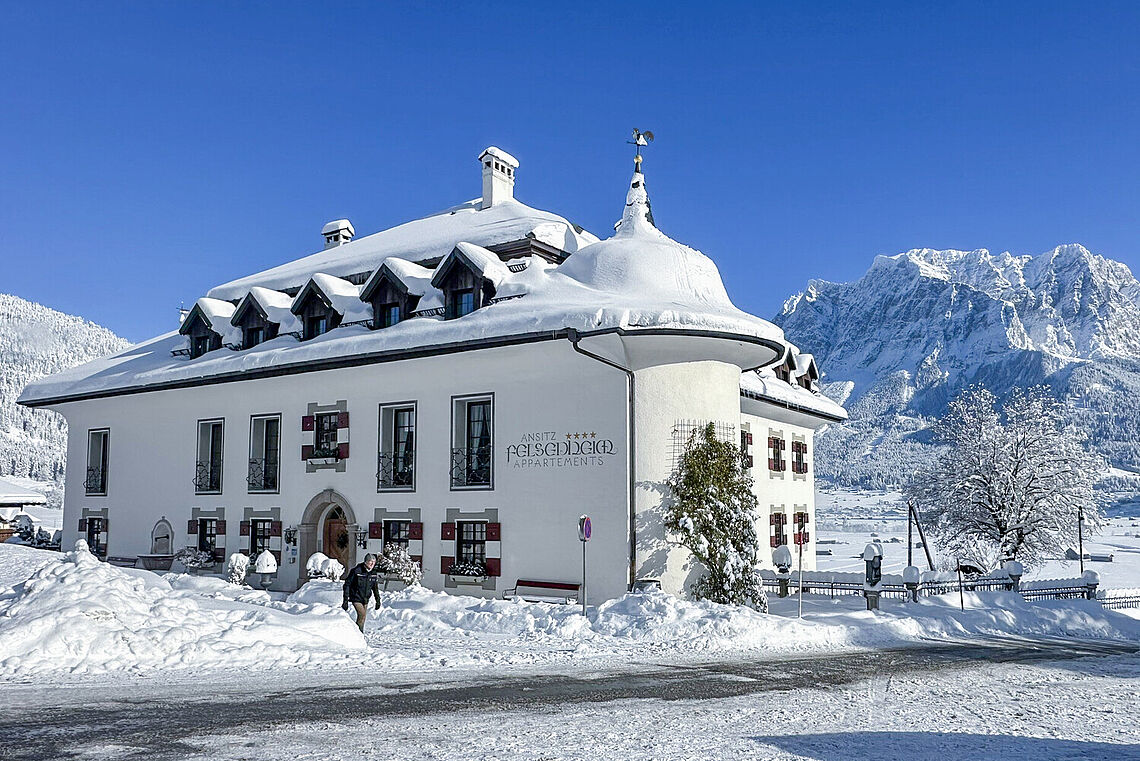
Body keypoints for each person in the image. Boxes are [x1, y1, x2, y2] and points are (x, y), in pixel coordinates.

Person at [341, 553, 382, 633]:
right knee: (362, 615)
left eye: (374, 562)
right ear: (366, 562)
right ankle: (359, 634)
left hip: (365, 598)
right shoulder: (357, 571)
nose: (372, 564)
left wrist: (378, 600)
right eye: (370, 562)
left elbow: (375, 588)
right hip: (356, 597)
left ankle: (357, 633)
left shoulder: (373, 573)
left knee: (362, 618)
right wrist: (345, 600)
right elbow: (347, 585)